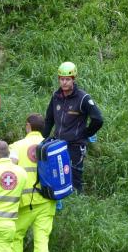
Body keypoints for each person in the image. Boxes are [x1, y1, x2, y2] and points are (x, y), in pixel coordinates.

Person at [43, 62, 103, 193]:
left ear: (73, 79)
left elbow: (98, 119)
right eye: (61, 79)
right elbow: (49, 119)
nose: (64, 82)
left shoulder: (83, 98)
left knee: (75, 179)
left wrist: (86, 133)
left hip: (75, 145)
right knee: (57, 177)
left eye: (67, 79)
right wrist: (43, 138)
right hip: (58, 144)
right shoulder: (56, 96)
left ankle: (77, 203)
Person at [8, 113, 56, 252]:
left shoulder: (17, 146)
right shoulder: (50, 145)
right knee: (42, 237)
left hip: (24, 201)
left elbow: (10, 170)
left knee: (16, 236)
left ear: (28, 126)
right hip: (47, 200)